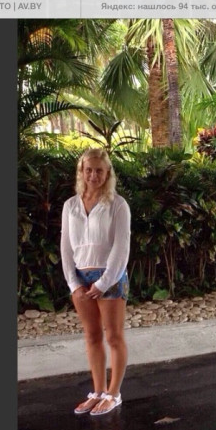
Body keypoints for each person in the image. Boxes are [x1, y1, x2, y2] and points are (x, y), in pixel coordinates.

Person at [60, 148, 131, 416]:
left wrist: (102, 283)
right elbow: (66, 248)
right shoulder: (70, 206)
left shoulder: (118, 205)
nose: (93, 175)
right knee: (91, 336)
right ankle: (98, 391)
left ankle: (114, 394)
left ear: (108, 172)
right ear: (81, 171)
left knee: (113, 336)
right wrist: (74, 284)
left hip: (110, 278)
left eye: (99, 170)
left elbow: (121, 249)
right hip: (80, 279)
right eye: (88, 169)